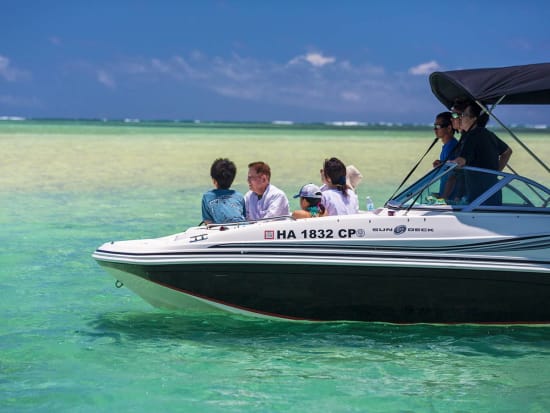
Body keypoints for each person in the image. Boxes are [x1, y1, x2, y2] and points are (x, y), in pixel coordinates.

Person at [451, 101, 513, 204]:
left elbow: (460, 161)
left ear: (474, 118)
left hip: (478, 198)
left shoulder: (471, 136)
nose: (461, 117)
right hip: (493, 193)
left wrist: (446, 164)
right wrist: (494, 173)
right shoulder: (488, 134)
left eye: (464, 114)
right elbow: (507, 152)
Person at [201, 158, 246, 224]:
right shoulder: (239, 196)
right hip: (242, 229)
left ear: (214, 181)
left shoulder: (207, 197)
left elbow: (208, 222)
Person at [431, 111, 458, 197]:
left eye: (438, 126)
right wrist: (441, 166)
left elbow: (453, 176)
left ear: (449, 128)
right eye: (434, 126)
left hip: (450, 200)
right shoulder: (447, 146)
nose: (435, 129)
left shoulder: (452, 146)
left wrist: (443, 198)